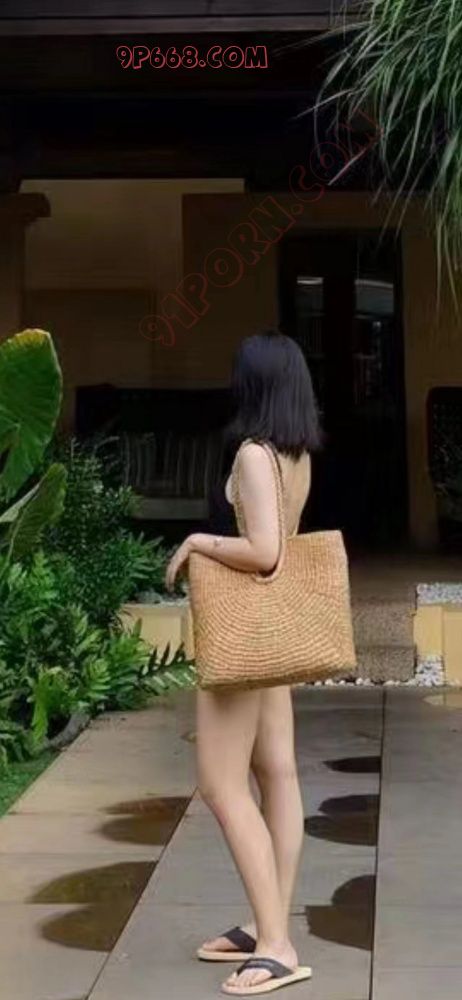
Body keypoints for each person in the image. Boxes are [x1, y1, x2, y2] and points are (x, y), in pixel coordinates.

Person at [165, 329, 322, 996]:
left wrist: (198, 541)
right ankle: (267, 924)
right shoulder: (295, 454)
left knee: (221, 783)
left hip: (242, 632)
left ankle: (277, 945)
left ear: (253, 384)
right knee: (275, 772)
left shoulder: (255, 454)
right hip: (272, 628)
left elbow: (264, 551)